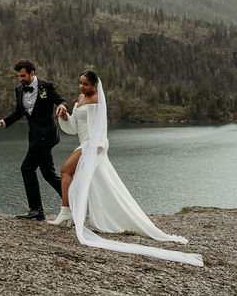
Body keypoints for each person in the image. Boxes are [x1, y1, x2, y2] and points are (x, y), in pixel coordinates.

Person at [51, 69, 203, 267]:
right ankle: (71, 213)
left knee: (65, 170)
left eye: (85, 84)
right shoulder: (80, 98)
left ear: (95, 85)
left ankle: (66, 212)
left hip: (93, 145)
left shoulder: (96, 100)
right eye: (80, 83)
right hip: (85, 143)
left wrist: (96, 148)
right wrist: (64, 116)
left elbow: (99, 129)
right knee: (101, 184)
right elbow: (74, 128)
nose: (81, 87)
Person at [0, 59, 68, 220]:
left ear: (32, 73)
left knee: (27, 168)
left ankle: (36, 210)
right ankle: (73, 203)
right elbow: (19, 112)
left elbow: (61, 100)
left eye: (23, 75)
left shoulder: (47, 86)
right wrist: (2, 122)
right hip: (34, 137)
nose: (20, 79)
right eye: (18, 76)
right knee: (48, 174)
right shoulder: (19, 90)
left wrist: (62, 106)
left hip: (47, 136)